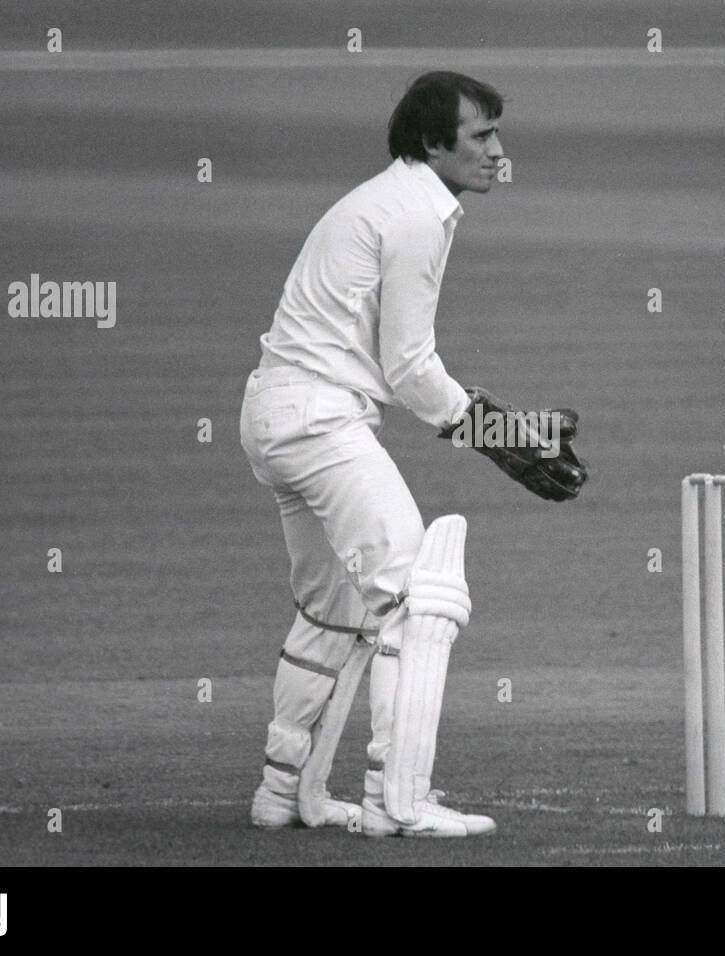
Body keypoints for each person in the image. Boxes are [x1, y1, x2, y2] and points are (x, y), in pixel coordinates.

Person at [238, 71, 507, 837]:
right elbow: (409, 366)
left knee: (333, 611)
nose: (497, 152)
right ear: (433, 142)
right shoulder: (418, 213)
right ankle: (404, 799)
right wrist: (492, 433)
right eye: (480, 136)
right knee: (416, 601)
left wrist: (486, 427)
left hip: (273, 411)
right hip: (322, 420)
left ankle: (285, 795)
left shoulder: (381, 197)